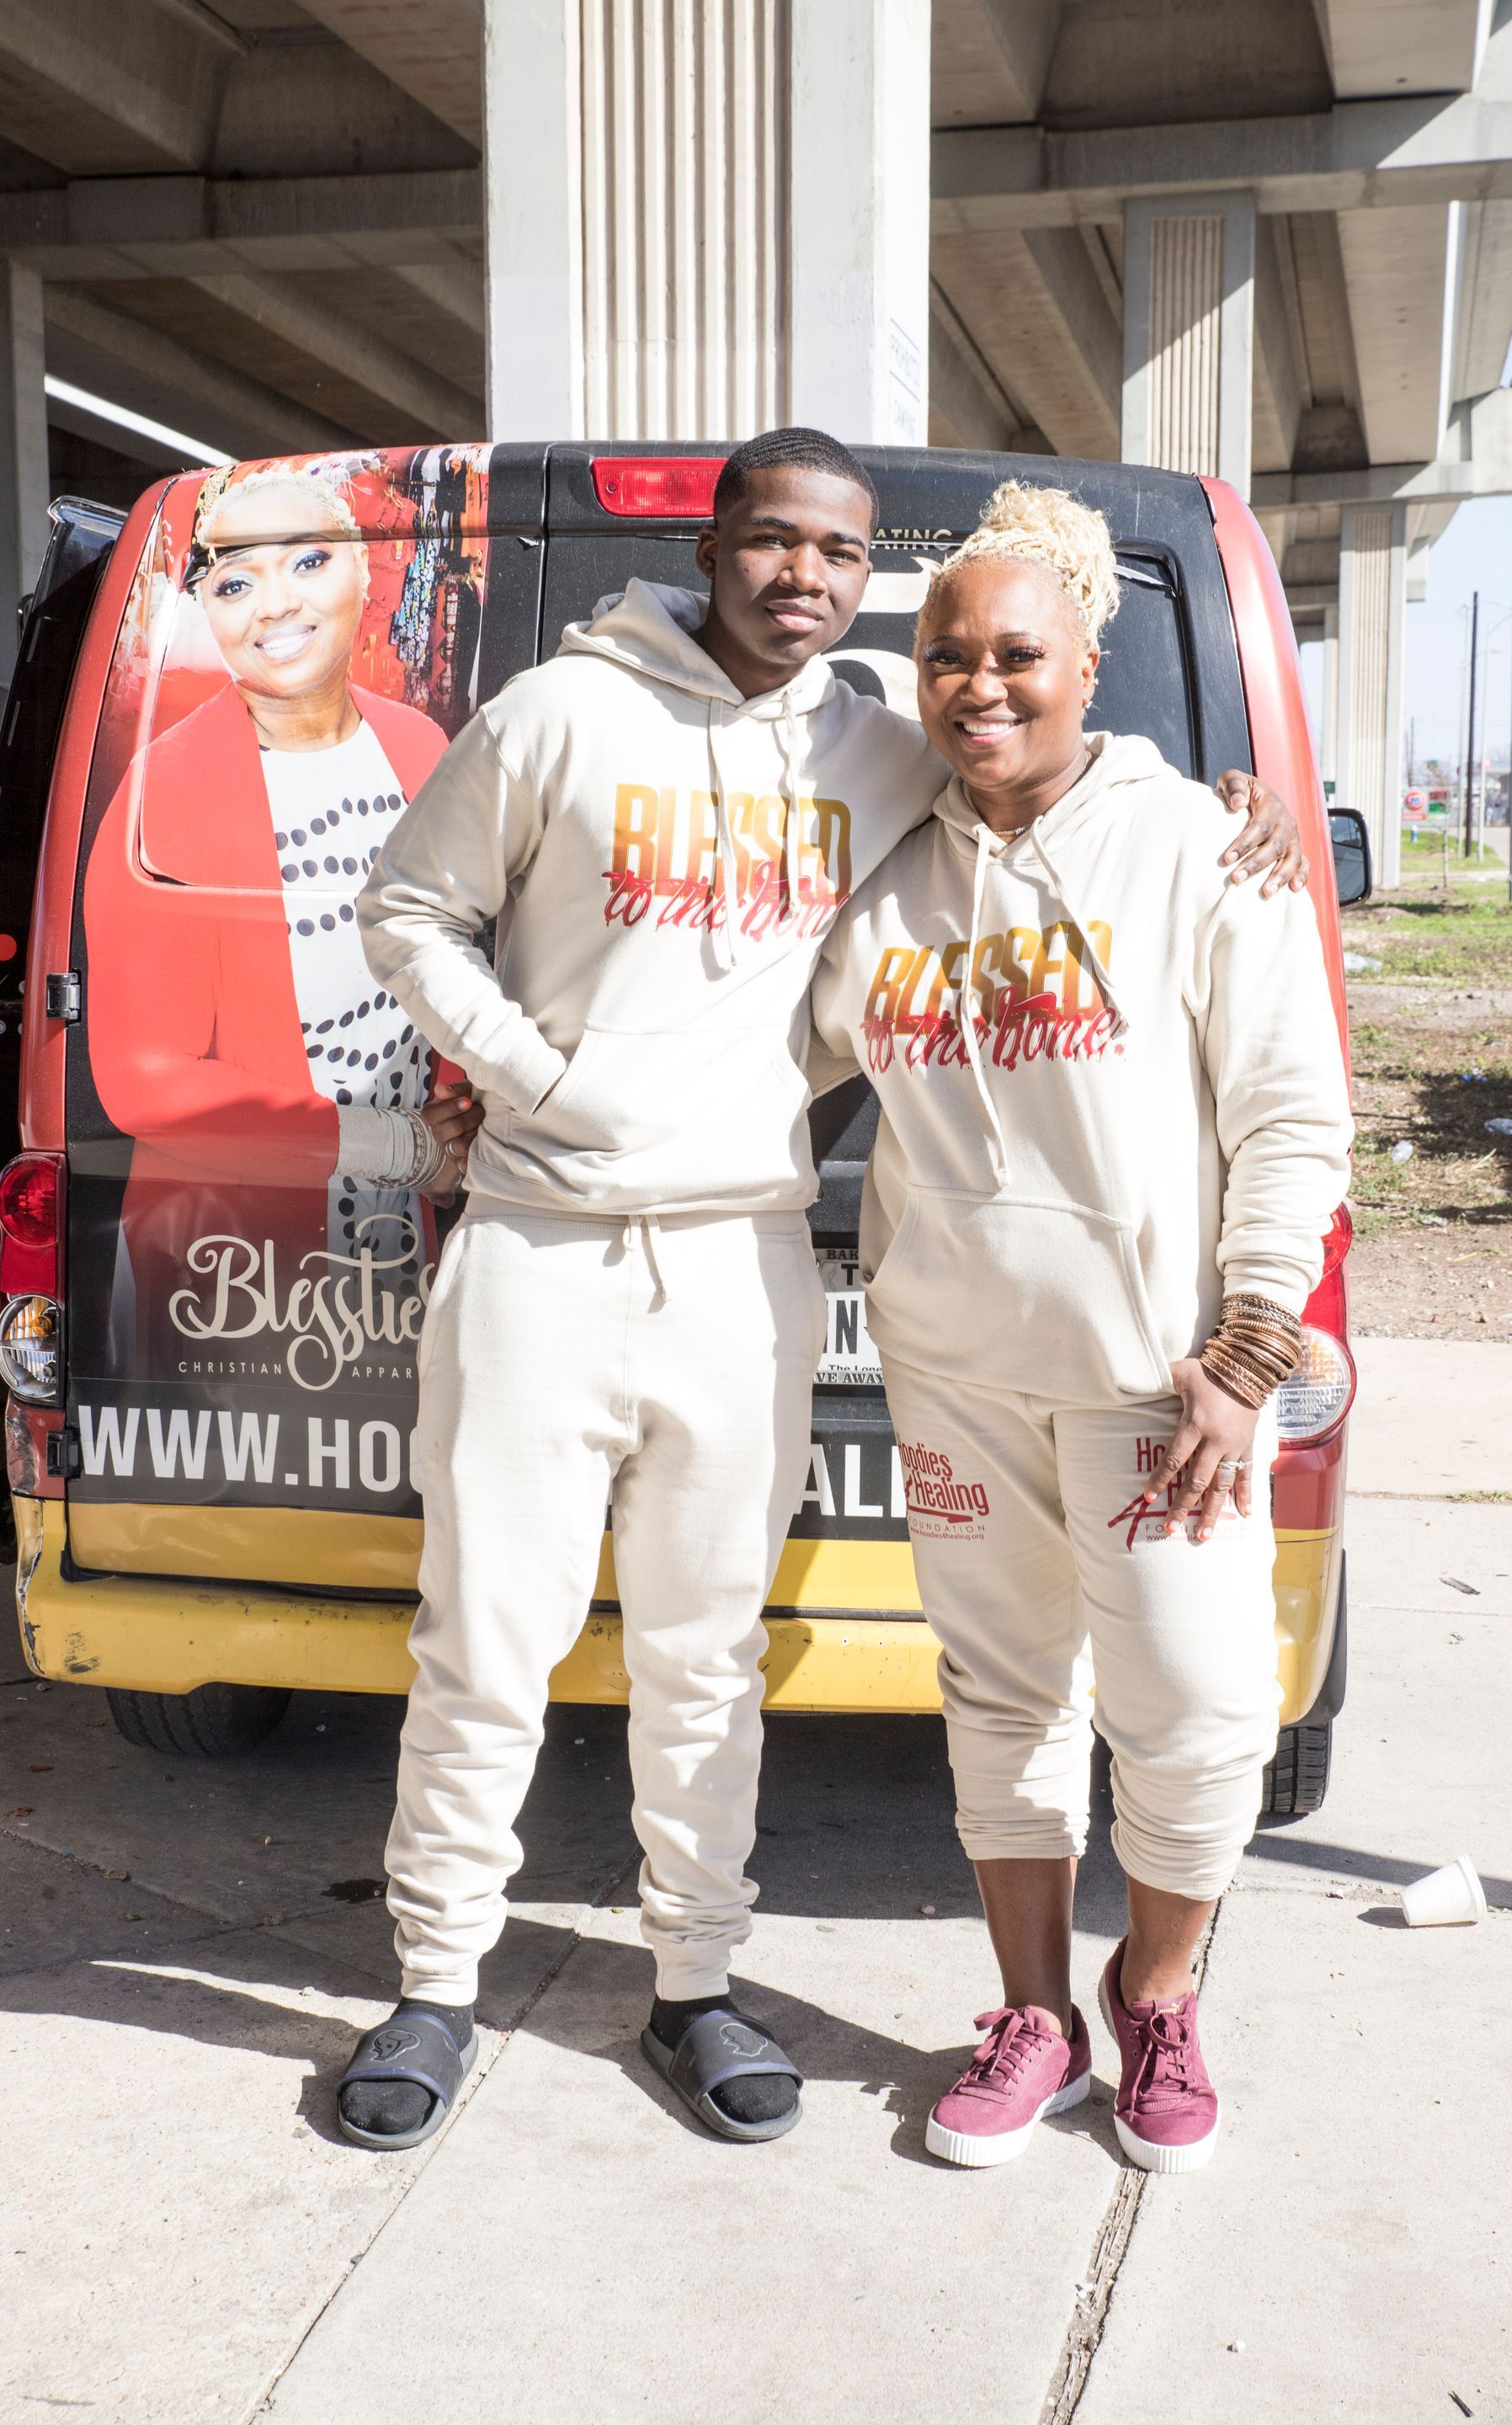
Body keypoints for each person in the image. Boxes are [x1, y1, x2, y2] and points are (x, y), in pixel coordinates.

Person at [342, 428, 1310, 2153]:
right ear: (716, 546)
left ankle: (716, 1986)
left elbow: (1087, 818)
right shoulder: (602, 726)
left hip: (779, 1269)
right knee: (485, 1646)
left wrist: (1236, 821)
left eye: (840, 554)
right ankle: (434, 1984)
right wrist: (537, 1077)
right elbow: (410, 909)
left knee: (727, 1659)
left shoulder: (927, 768)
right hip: (558, 1251)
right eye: (774, 539)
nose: (805, 576)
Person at [812, 482, 1352, 2174]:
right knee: (1001, 1702)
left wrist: (1250, 1354)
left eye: (1017, 654)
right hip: (959, 1375)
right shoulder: (888, 892)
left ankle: (1161, 1990)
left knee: (1196, 1710)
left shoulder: (1201, 842)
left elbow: (1291, 1114)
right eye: (946, 655)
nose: (980, 685)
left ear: (1091, 660)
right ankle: (1032, 2012)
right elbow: (743, 1065)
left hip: (1159, 1388)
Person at [84, 464, 481, 1340]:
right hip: (233, 1280)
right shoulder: (169, 789)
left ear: (363, 573)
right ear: (209, 612)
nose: (273, 605)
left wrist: (463, 1120)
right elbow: (146, 1081)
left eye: (306, 563)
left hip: (422, 1246)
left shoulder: (418, 744)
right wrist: (409, 1150)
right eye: (234, 582)